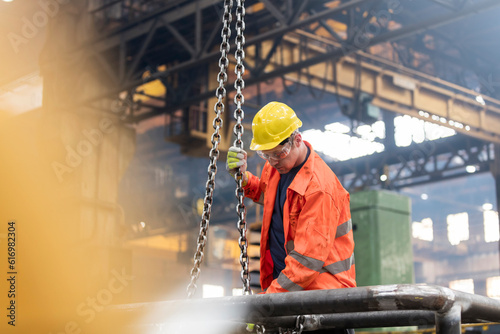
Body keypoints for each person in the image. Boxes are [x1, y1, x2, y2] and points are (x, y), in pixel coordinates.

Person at [227, 101, 356, 296]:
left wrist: (268, 301)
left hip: (325, 296)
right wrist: (244, 179)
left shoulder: (319, 188)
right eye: (265, 155)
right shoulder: (275, 167)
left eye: (278, 154)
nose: (272, 161)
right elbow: (272, 199)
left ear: (297, 140)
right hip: (291, 289)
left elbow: (307, 261)